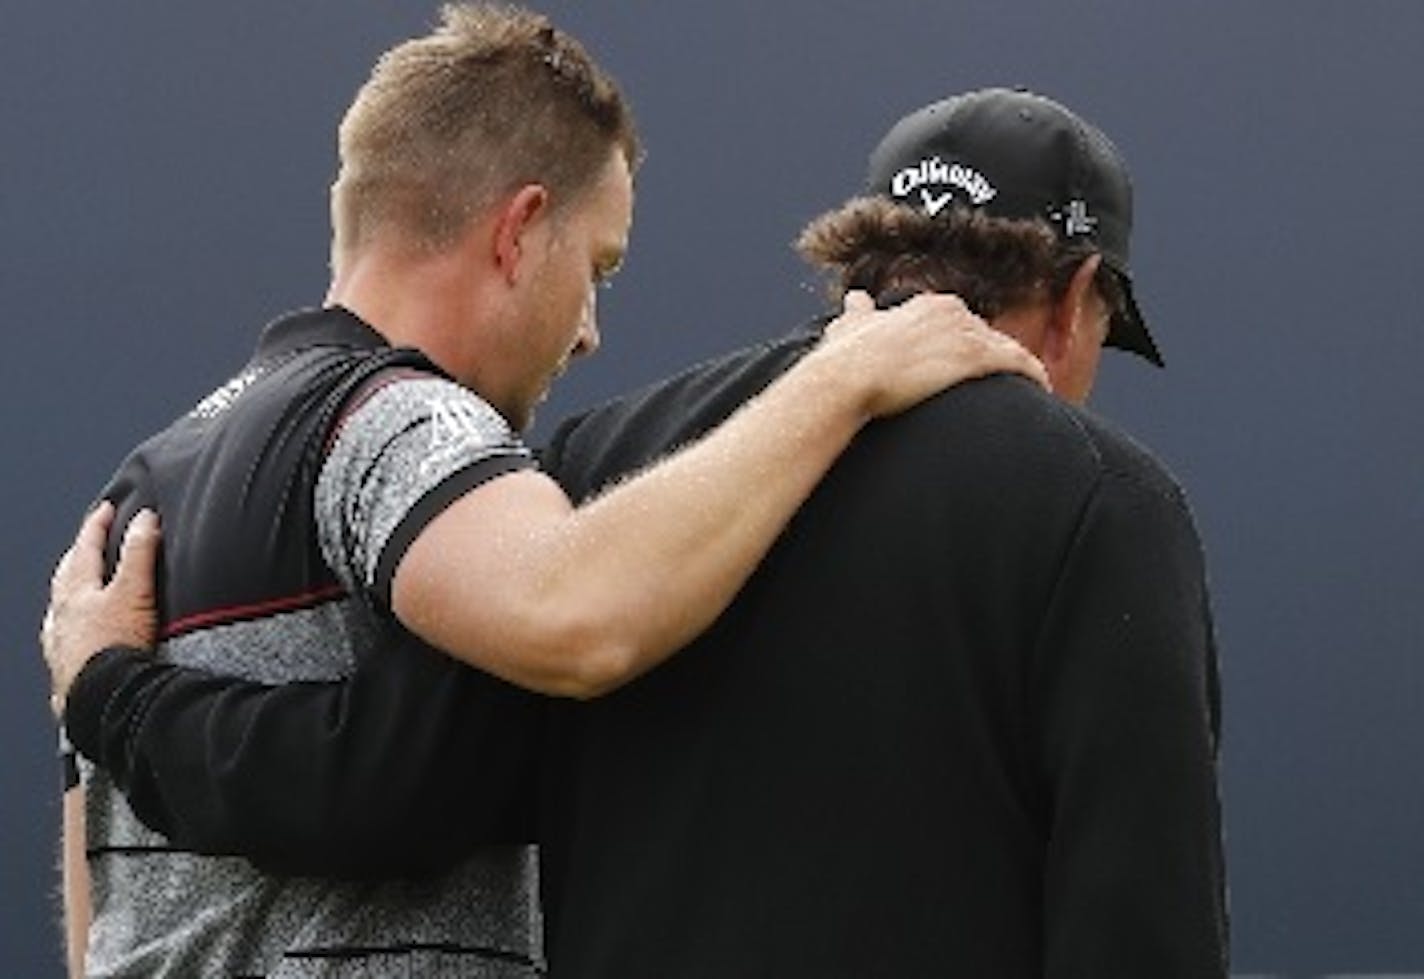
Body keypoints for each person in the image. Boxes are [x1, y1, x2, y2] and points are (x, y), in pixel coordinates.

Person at [45, 87, 1226, 977]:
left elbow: (374, 785)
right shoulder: (1099, 500)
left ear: (861, 259)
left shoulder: (595, 470)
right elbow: (1139, 923)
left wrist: (114, 694)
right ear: (1075, 300)